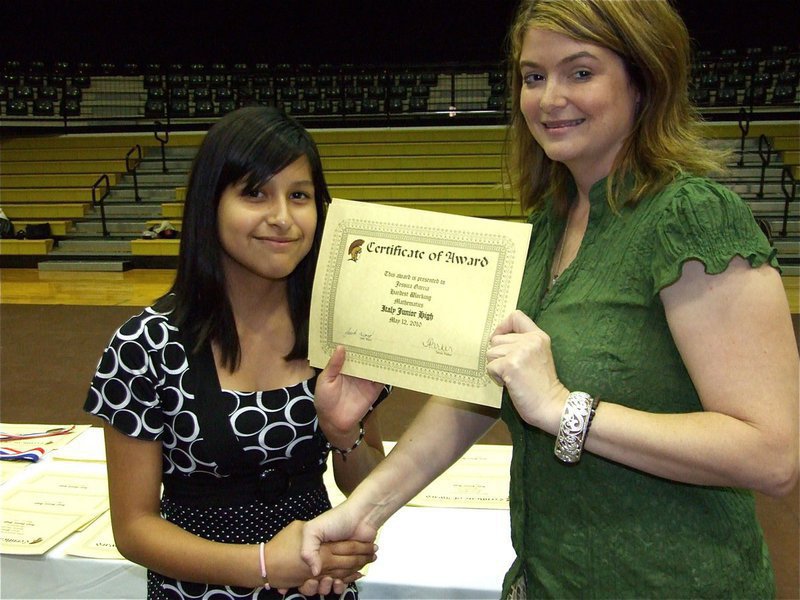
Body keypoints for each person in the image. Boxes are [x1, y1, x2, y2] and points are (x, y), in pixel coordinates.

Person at [301, 1, 799, 597]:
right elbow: (477, 395)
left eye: (580, 72)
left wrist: (568, 411)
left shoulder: (692, 217)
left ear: (643, 80)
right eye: (533, 76)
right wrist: (365, 510)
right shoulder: (544, 229)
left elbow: (772, 455)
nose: (549, 97)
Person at [84, 106, 388, 600]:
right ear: (211, 203)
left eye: (299, 196)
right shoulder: (145, 346)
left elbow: (364, 488)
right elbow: (134, 527)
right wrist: (266, 565)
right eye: (255, 193)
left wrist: (343, 434)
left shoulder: (338, 336)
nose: (282, 218)